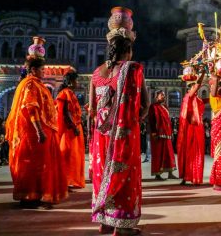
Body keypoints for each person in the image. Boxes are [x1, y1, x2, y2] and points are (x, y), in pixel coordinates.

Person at [90, 14, 150, 235]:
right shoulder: (133, 69)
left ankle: (104, 221)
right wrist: (134, 121)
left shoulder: (96, 73)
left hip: (100, 136)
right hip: (124, 135)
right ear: (129, 50)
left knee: (101, 173)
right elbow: (146, 103)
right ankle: (121, 227)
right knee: (124, 177)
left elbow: (92, 110)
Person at [5, 37, 68, 208]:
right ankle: (29, 196)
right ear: (33, 69)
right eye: (42, 69)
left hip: (41, 131)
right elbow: (31, 109)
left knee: (40, 165)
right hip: (33, 133)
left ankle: (36, 194)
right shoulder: (31, 85)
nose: (44, 72)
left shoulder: (38, 84)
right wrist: (39, 131)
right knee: (32, 165)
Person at [56, 70, 85, 189]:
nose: (77, 82)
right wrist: (73, 127)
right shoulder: (66, 93)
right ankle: (64, 181)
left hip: (74, 127)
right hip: (70, 129)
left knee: (73, 156)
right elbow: (66, 113)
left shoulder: (70, 93)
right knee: (68, 156)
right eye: (76, 80)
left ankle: (68, 181)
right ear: (71, 81)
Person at [177, 67, 205, 185]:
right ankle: (187, 176)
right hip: (191, 128)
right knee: (191, 152)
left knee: (194, 153)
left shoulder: (196, 99)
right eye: (193, 87)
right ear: (190, 89)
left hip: (196, 128)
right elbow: (198, 85)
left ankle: (193, 177)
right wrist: (203, 73)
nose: (196, 88)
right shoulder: (188, 97)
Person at [148, 90, 178, 180]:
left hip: (167, 134)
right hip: (158, 134)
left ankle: (170, 173)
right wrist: (153, 132)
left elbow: (168, 122)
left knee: (169, 154)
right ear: (156, 97)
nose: (163, 97)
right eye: (161, 95)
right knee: (158, 155)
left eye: (164, 95)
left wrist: (171, 133)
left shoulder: (165, 107)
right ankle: (157, 174)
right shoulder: (153, 107)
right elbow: (151, 120)